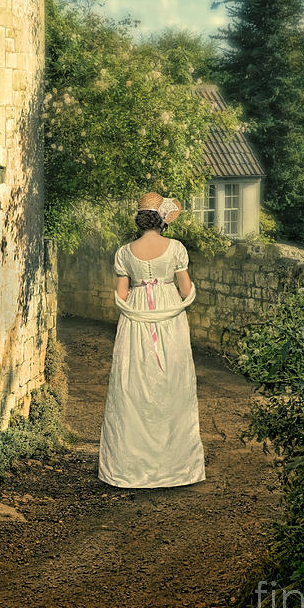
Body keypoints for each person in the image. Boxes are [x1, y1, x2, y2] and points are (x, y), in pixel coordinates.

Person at [97, 191, 206, 488]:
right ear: (162, 220)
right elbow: (185, 291)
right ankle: (175, 468)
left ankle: (130, 466)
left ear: (140, 219)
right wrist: (169, 289)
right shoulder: (176, 249)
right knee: (172, 381)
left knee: (134, 383)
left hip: (136, 320)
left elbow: (121, 294)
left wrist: (138, 300)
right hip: (170, 318)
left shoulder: (124, 251)